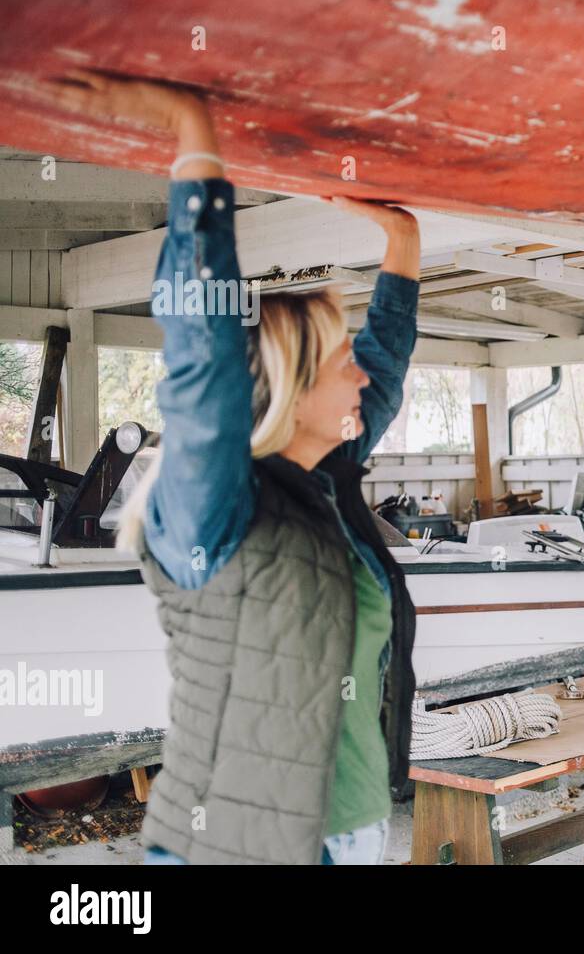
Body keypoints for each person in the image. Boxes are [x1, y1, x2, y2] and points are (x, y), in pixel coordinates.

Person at [43, 69, 423, 864]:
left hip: (352, 829)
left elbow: (382, 366)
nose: (365, 378)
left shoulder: (325, 481)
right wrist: (196, 141)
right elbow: (201, 356)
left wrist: (403, 243)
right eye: (342, 362)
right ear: (289, 386)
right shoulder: (219, 504)